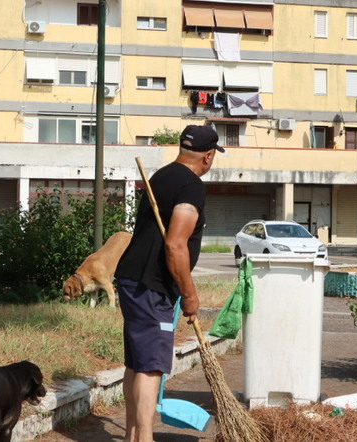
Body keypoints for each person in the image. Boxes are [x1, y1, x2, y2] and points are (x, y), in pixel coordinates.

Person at [114, 124, 223, 442]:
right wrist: (190, 295)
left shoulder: (161, 176)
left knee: (136, 362)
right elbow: (175, 245)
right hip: (154, 285)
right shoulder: (191, 186)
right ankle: (145, 438)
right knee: (150, 366)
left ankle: (134, 435)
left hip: (132, 279)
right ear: (208, 156)